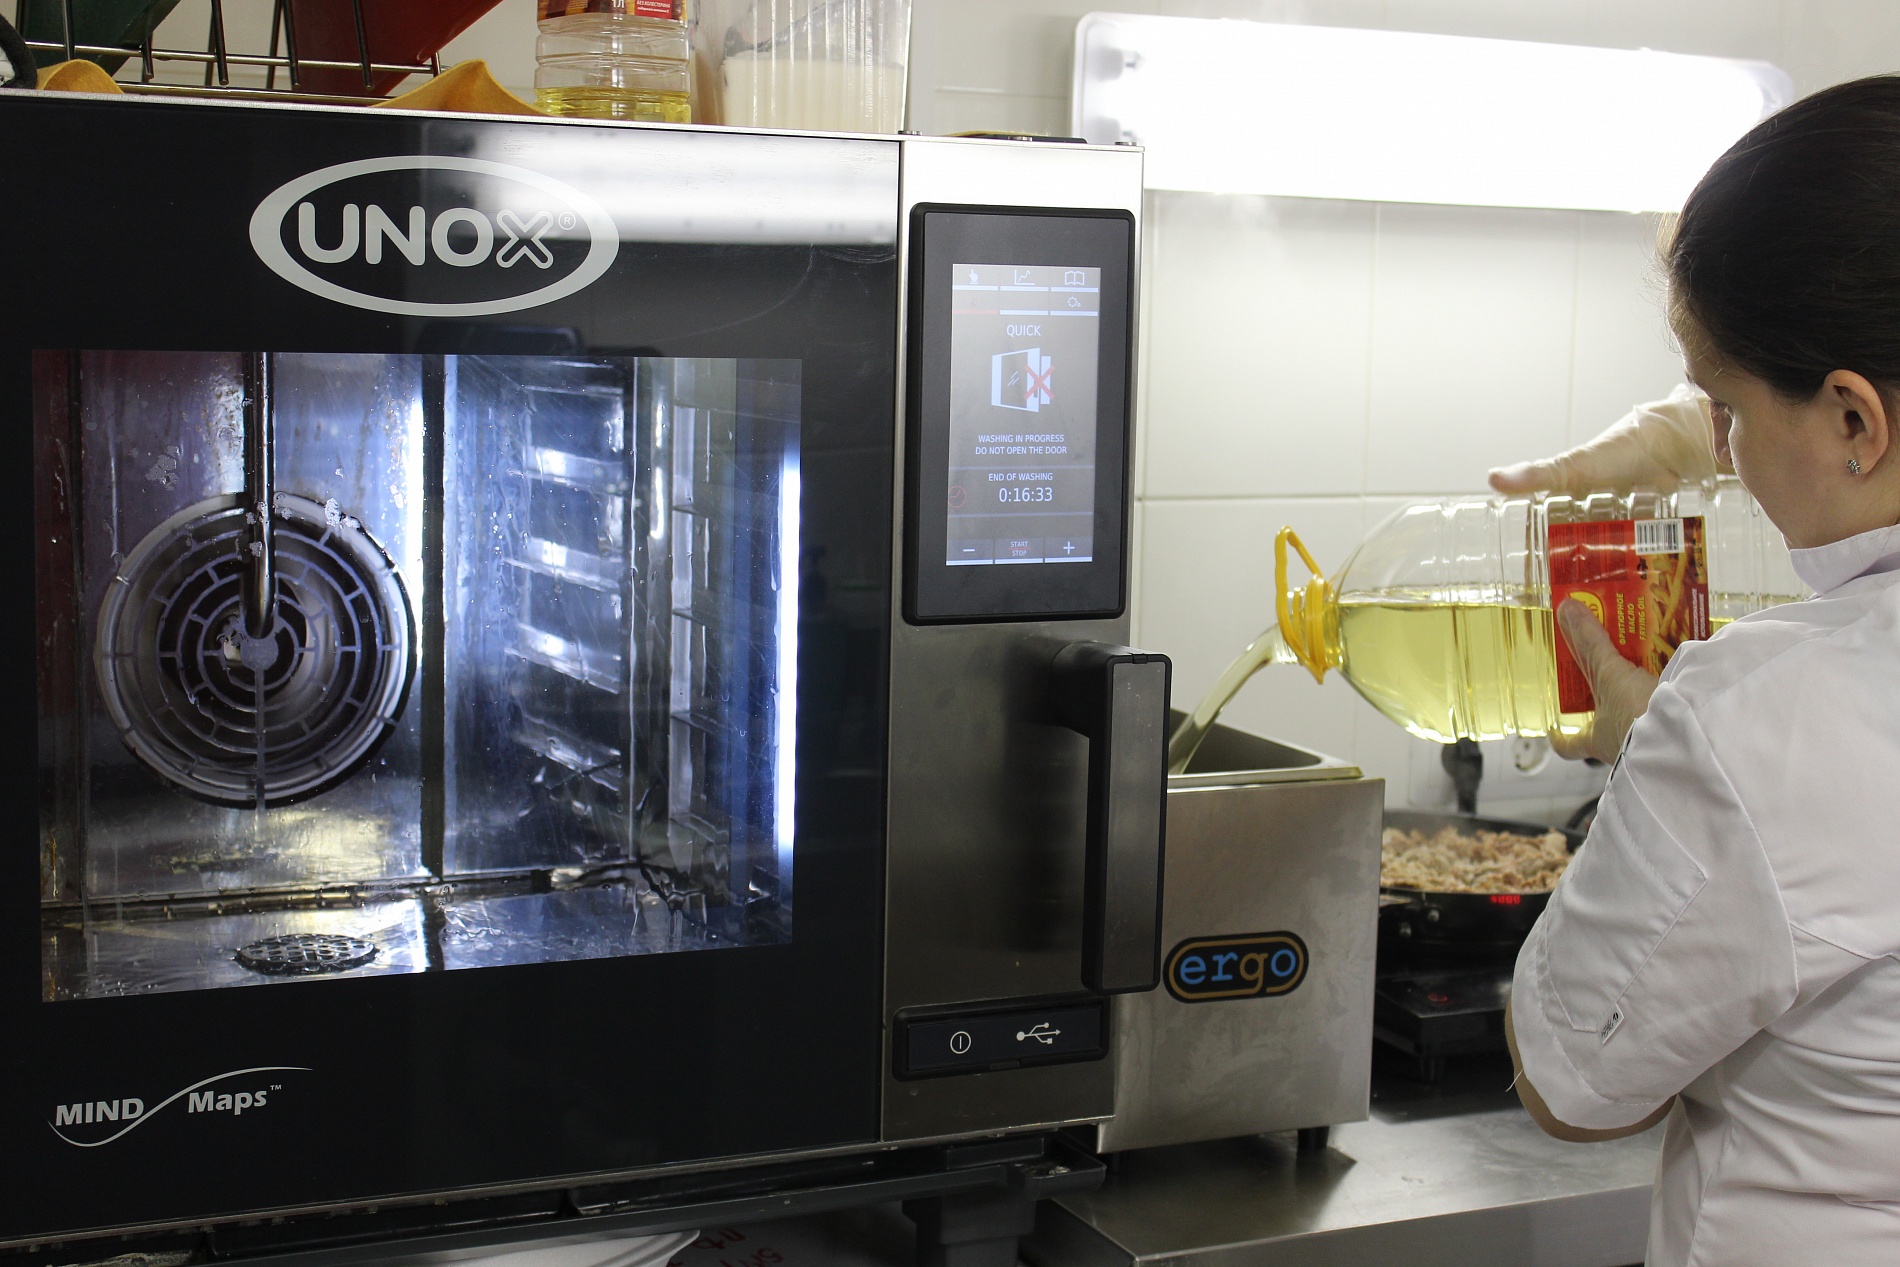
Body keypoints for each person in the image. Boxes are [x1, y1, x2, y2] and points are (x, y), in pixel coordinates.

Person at [1495, 75, 1900, 1266]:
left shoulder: (1763, 718)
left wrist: (1648, 748)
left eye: (1721, 403)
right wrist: (1705, 416)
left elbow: (1571, 1083)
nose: (1717, 449)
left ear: (1854, 419)